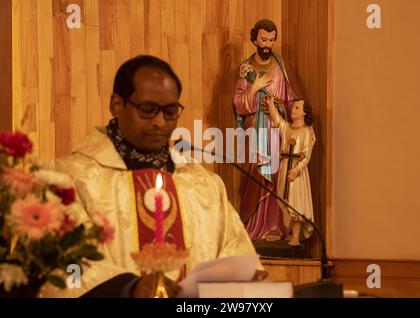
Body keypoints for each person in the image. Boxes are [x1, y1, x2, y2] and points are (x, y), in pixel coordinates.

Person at [39, 55, 265, 298]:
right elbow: (65, 266)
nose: (160, 122)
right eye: (147, 110)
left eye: (170, 112)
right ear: (116, 104)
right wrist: (129, 289)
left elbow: (239, 259)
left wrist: (248, 283)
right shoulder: (69, 179)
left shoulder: (204, 186)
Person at [232, 19, 304, 241]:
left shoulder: (282, 67)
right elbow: (237, 103)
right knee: (254, 174)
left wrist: (279, 106)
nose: (267, 45)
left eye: (271, 40)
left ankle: (275, 227)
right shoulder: (246, 69)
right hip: (255, 131)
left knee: (275, 175)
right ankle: (253, 227)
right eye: (263, 39)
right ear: (254, 39)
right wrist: (254, 88)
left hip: (276, 129)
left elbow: (293, 100)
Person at [265, 96, 315, 246]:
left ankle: (296, 236)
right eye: (293, 107)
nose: (293, 109)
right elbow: (278, 121)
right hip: (284, 167)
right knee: (284, 199)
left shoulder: (306, 132)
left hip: (296, 173)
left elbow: (306, 155)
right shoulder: (288, 128)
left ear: (305, 113)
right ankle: (290, 232)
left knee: (296, 203)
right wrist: (270, 104)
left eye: (297, 108)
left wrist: (296, 170)